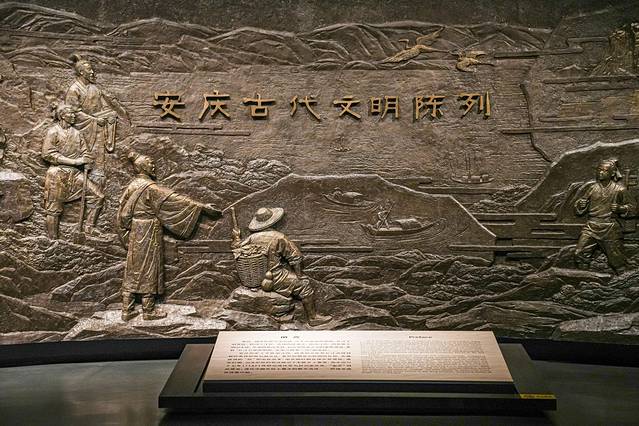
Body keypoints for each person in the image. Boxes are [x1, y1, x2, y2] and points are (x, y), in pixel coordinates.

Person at [117, 152, 222, 321]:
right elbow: (175, 200)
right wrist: (202, 207)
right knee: (149, 268)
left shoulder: (132, 185)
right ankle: (148, 310)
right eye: (150, 163)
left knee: (133, 268)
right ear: (142, 167)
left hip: (135, 230)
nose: (153, 166)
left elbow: (121, 211)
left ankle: (126, 310)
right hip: (148, 230)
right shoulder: (150, 188)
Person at [232, 207, 331, 326]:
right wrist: (300, 276)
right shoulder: (279, 237)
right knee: (305, 286)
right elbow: (295, 258)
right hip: (276, 277)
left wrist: (236, 237)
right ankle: (313, 318)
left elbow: (237, 248)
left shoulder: (251, 237)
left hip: (255, 276)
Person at [66, 53, 123, 231]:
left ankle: (92, 222)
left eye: (92, 69)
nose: (93, 73)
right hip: (84, 135)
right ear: (81, 72)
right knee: (85, 172)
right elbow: (73, 113)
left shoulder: (95, 89)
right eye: (90, 70)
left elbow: (104, 108)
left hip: (98, 134)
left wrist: (110, 116)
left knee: (99, 172)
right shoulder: (74, 90)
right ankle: (76, 217)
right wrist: (93, 120)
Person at [41, 103, 104, 239]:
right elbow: (47, 154)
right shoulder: (53, 132)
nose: (74, 116)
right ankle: (52, 239)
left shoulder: (77, 134)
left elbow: (85, 152)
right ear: (62, 116)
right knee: (53, 209)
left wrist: (87, 160)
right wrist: (74, 162)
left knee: (97, 196)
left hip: (74, 174)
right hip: (57, 174)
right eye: (71, 113)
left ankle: (89, 228)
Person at [574, 158, 635, 274]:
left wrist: (620, 208)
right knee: (580, 252)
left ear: (612, 173)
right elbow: (580, 206)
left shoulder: (619, 190)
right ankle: (584, 277)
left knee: (616, 258)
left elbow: (633, 208)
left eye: (604, 170)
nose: (600, 173)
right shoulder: (592, 188)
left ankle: (624, 279)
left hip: (609, 227)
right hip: (591, 226)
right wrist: (581, 204)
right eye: (599, 170)